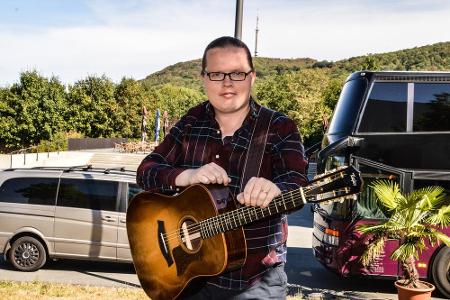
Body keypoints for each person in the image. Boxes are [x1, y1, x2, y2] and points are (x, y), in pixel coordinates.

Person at [136, 36, 307, 299]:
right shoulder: (192, 121)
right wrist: (187, 176)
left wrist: (276, 189)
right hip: (190, 278)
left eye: (237, 73)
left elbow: (297, 182)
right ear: (204, 78)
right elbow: (146, 170)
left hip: (255, 281)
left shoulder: (279, 127)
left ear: (252, 77)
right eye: (216, 74)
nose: (227, 82)